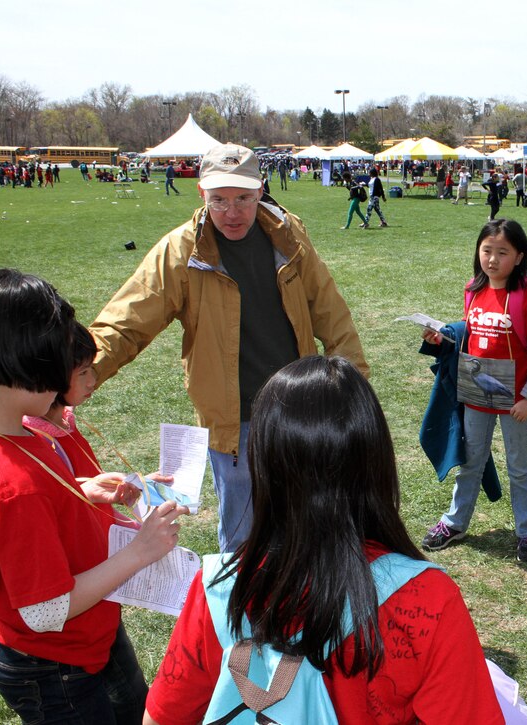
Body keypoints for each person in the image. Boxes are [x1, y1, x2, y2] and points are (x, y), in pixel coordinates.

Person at [143, 356, 504, 724]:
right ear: (377, 459)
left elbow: (161, 717)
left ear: (265, 466)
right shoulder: (429, 599)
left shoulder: (220, 588)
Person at [90, 143, 368, 553]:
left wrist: (354, 384)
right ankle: (243, 614)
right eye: (219, 201)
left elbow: (330, 311)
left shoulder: (288, 238)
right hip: (232, 420)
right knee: (243, 537)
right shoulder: (180, 251)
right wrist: (82, 372)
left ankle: (302, 610)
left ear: (260, 192)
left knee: (306, 521)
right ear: (201, 195)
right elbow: (128, 321)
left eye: (242, 199)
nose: (232, 213)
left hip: (297, 410)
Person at [0, 268, 189, 725]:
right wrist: (139, 552)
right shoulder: (10, 486)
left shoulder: (6, 434)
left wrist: (82, 491)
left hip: (87, 639)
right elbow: (45, 610)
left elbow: (31, 514)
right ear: (25, 364)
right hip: (55, 666)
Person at [420, 219, 527, 563]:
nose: (492, 259)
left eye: (502, 252)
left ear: (519, 256)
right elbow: (473, 331)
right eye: (486, 251)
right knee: (471, 460)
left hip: (516, 400)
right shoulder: (473, 289)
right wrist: (443, 337)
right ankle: (454, 522)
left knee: (519, 465)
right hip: (477, 395)